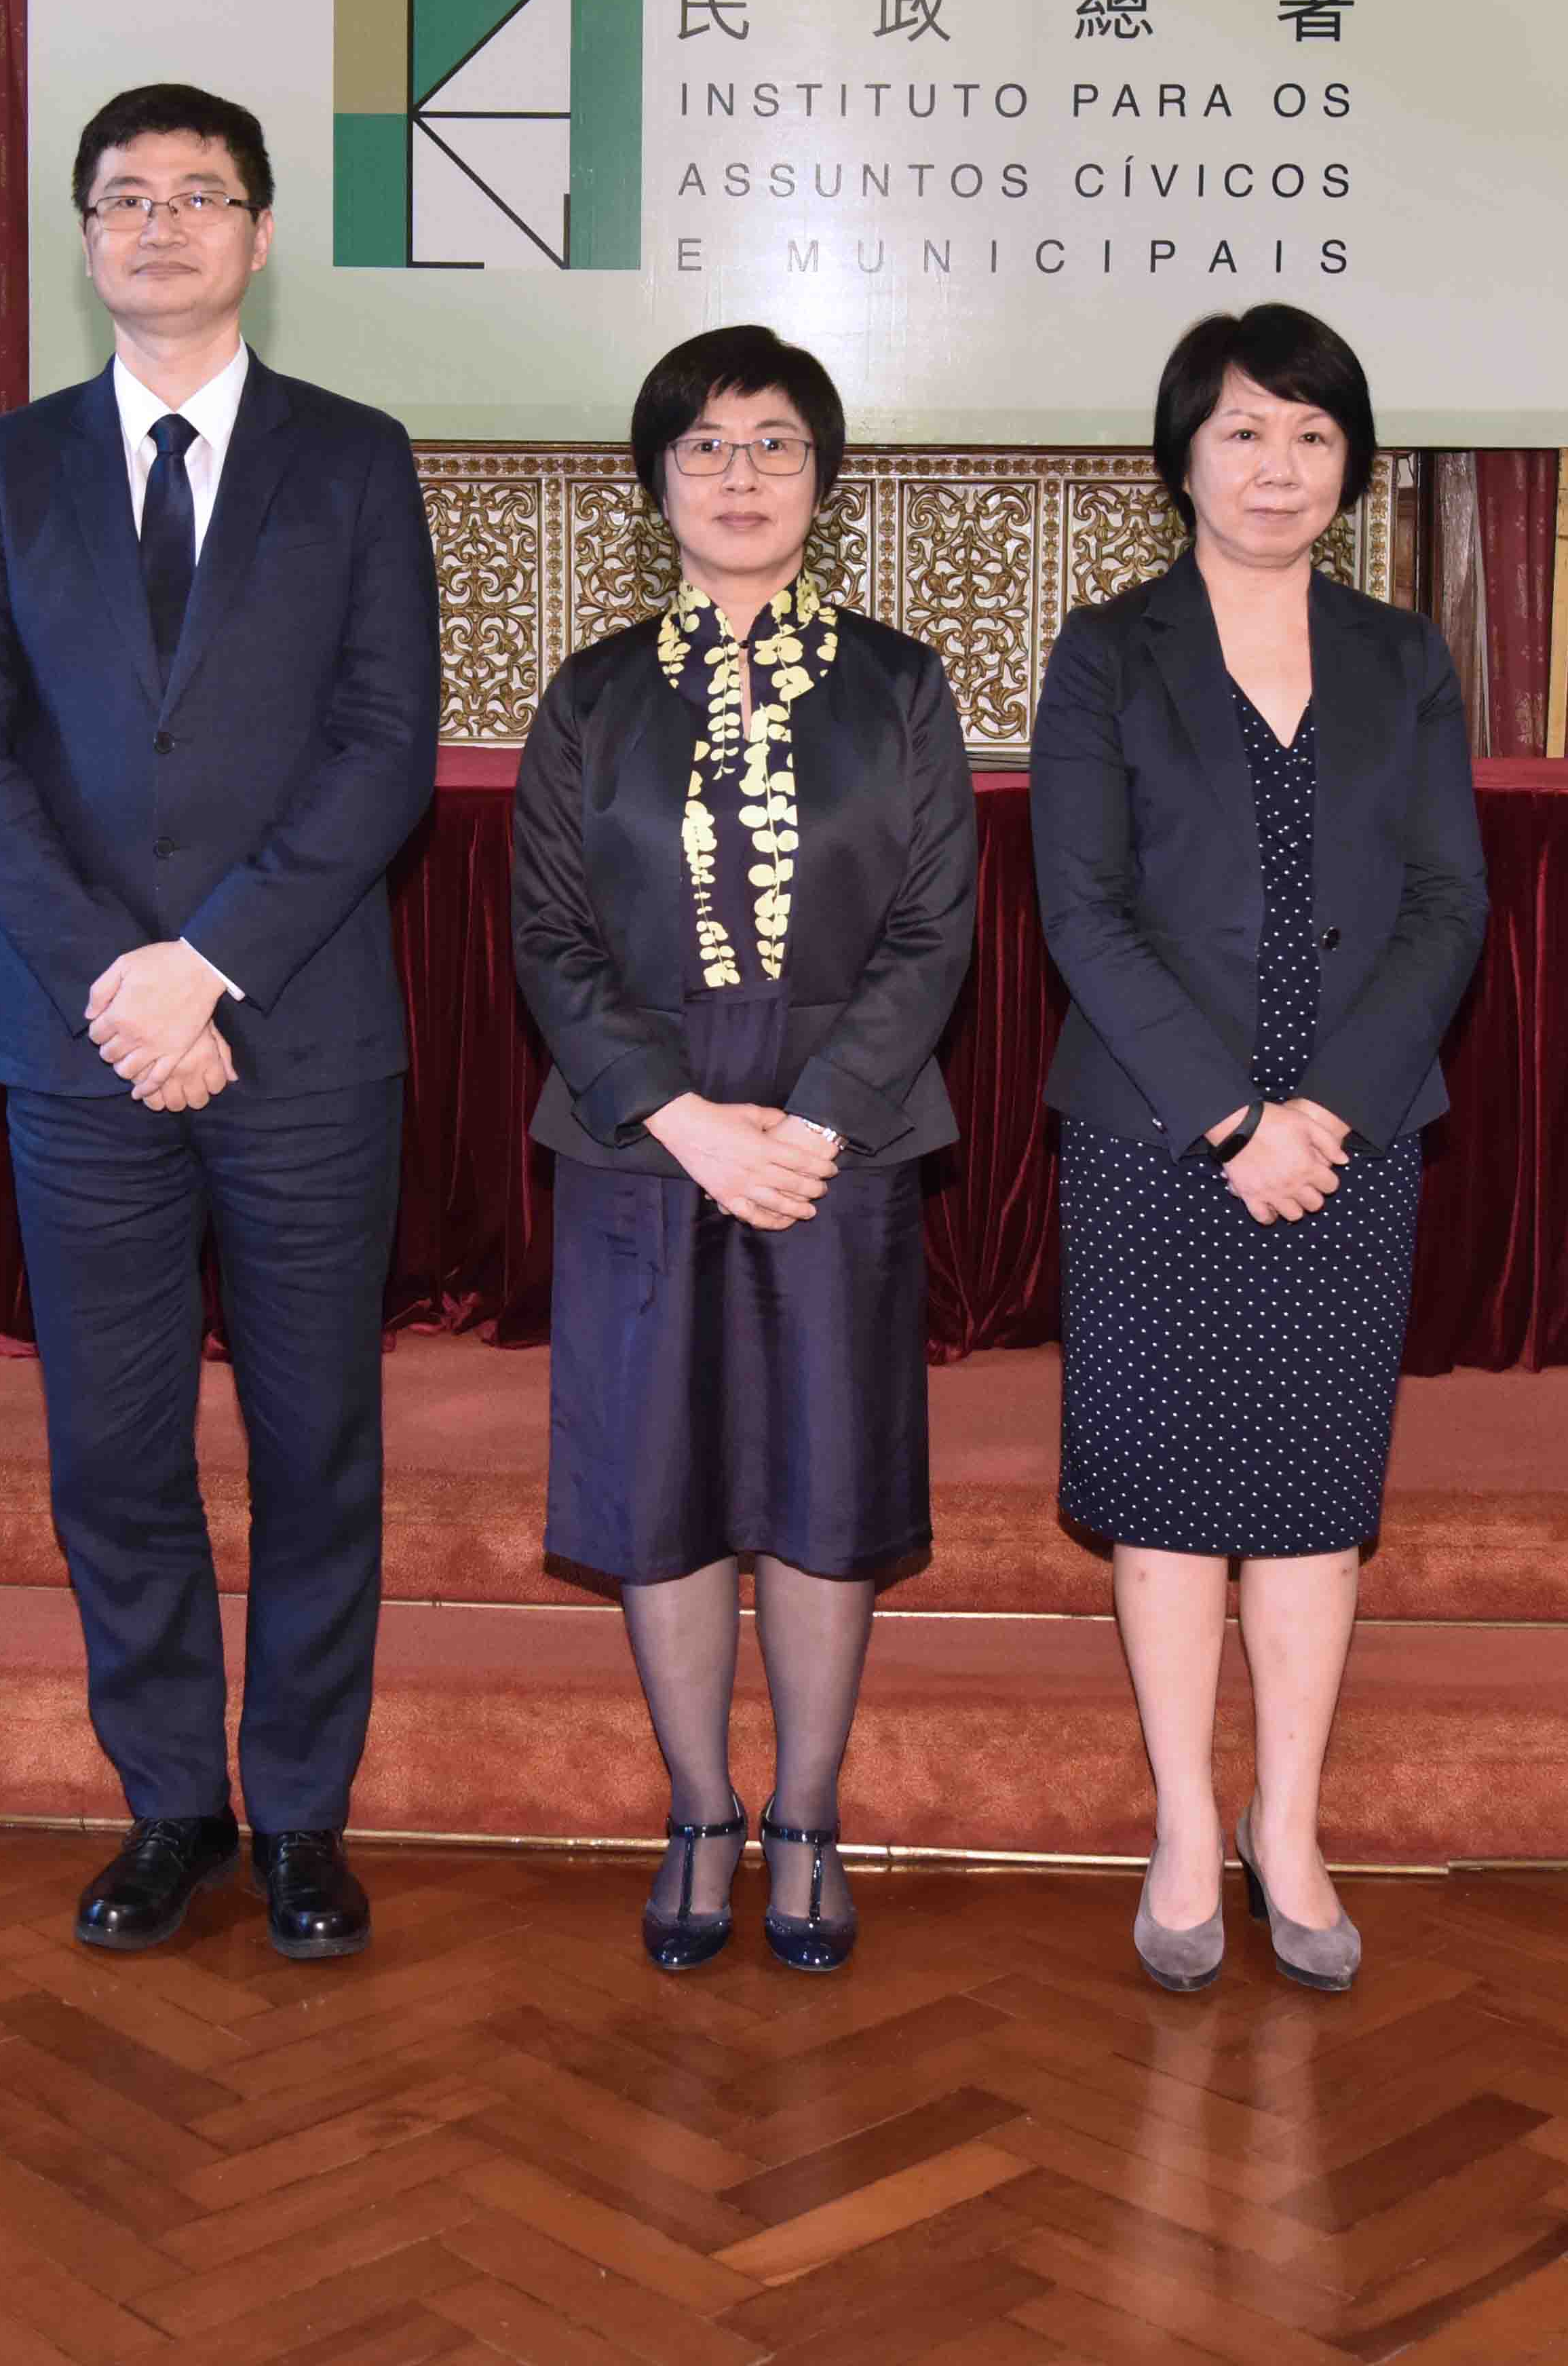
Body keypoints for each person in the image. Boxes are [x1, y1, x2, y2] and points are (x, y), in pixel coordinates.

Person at [0, 83, 440, 1961]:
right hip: (82, 1051)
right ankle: (169, 1806)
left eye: (200, 196)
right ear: (84, 241)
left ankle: (299, 1815)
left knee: (316, 1449)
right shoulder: (7, 467)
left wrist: (207, 964)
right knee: (115, 1452)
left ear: (261, 235)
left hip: (299, 1037)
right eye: (124, 197)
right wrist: (121, 980)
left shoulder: (354, 460)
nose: (160, 224)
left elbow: (384, 747)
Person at [1029, 303, 1487, 1996]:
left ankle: (1285, 1826)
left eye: (1308, 433)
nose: (1275, 465)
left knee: (1306, 1503)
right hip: (1158, 1132)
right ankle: (1178, 1823)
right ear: (1183, 457)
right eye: (1241, 431)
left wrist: (1328, 1111)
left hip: (1349, 1141)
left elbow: (1445, 903)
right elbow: (1079, 908)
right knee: (1164, 1503)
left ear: (1348, 463)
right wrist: (1231, 1116)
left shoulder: (1401, 657)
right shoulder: (1107, 650)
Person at [511, 326, 975, 1973]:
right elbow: (550, 936)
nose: (738, 475)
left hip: (839, 1144)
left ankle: (807, 1818)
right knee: (664, 1480)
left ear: (822, 478)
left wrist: (817, 1119)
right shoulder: (589, 696)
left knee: (823, 1480)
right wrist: (683, 1120)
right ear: (655, 481)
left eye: (773, 443)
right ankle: (701, 1810)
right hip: (645, 1142)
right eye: (703, 446)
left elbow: (931, 928)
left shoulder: (900, 684)